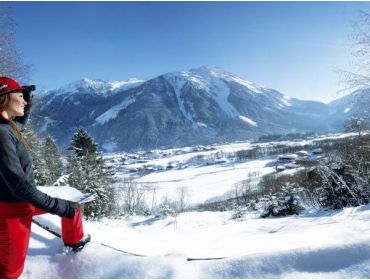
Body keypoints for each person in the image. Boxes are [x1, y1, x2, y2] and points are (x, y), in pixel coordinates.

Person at [0, 77, 91, 279]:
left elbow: (16, 129)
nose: (24, 100)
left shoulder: (6, 126)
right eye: (20, 96)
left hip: (23, 202)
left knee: (72, 206)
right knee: (11, 272)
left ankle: (74, 241)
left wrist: (29, 106)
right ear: (4, 97)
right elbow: (19, 186)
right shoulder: (1, 133)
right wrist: (58, 206)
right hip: (11, 211)